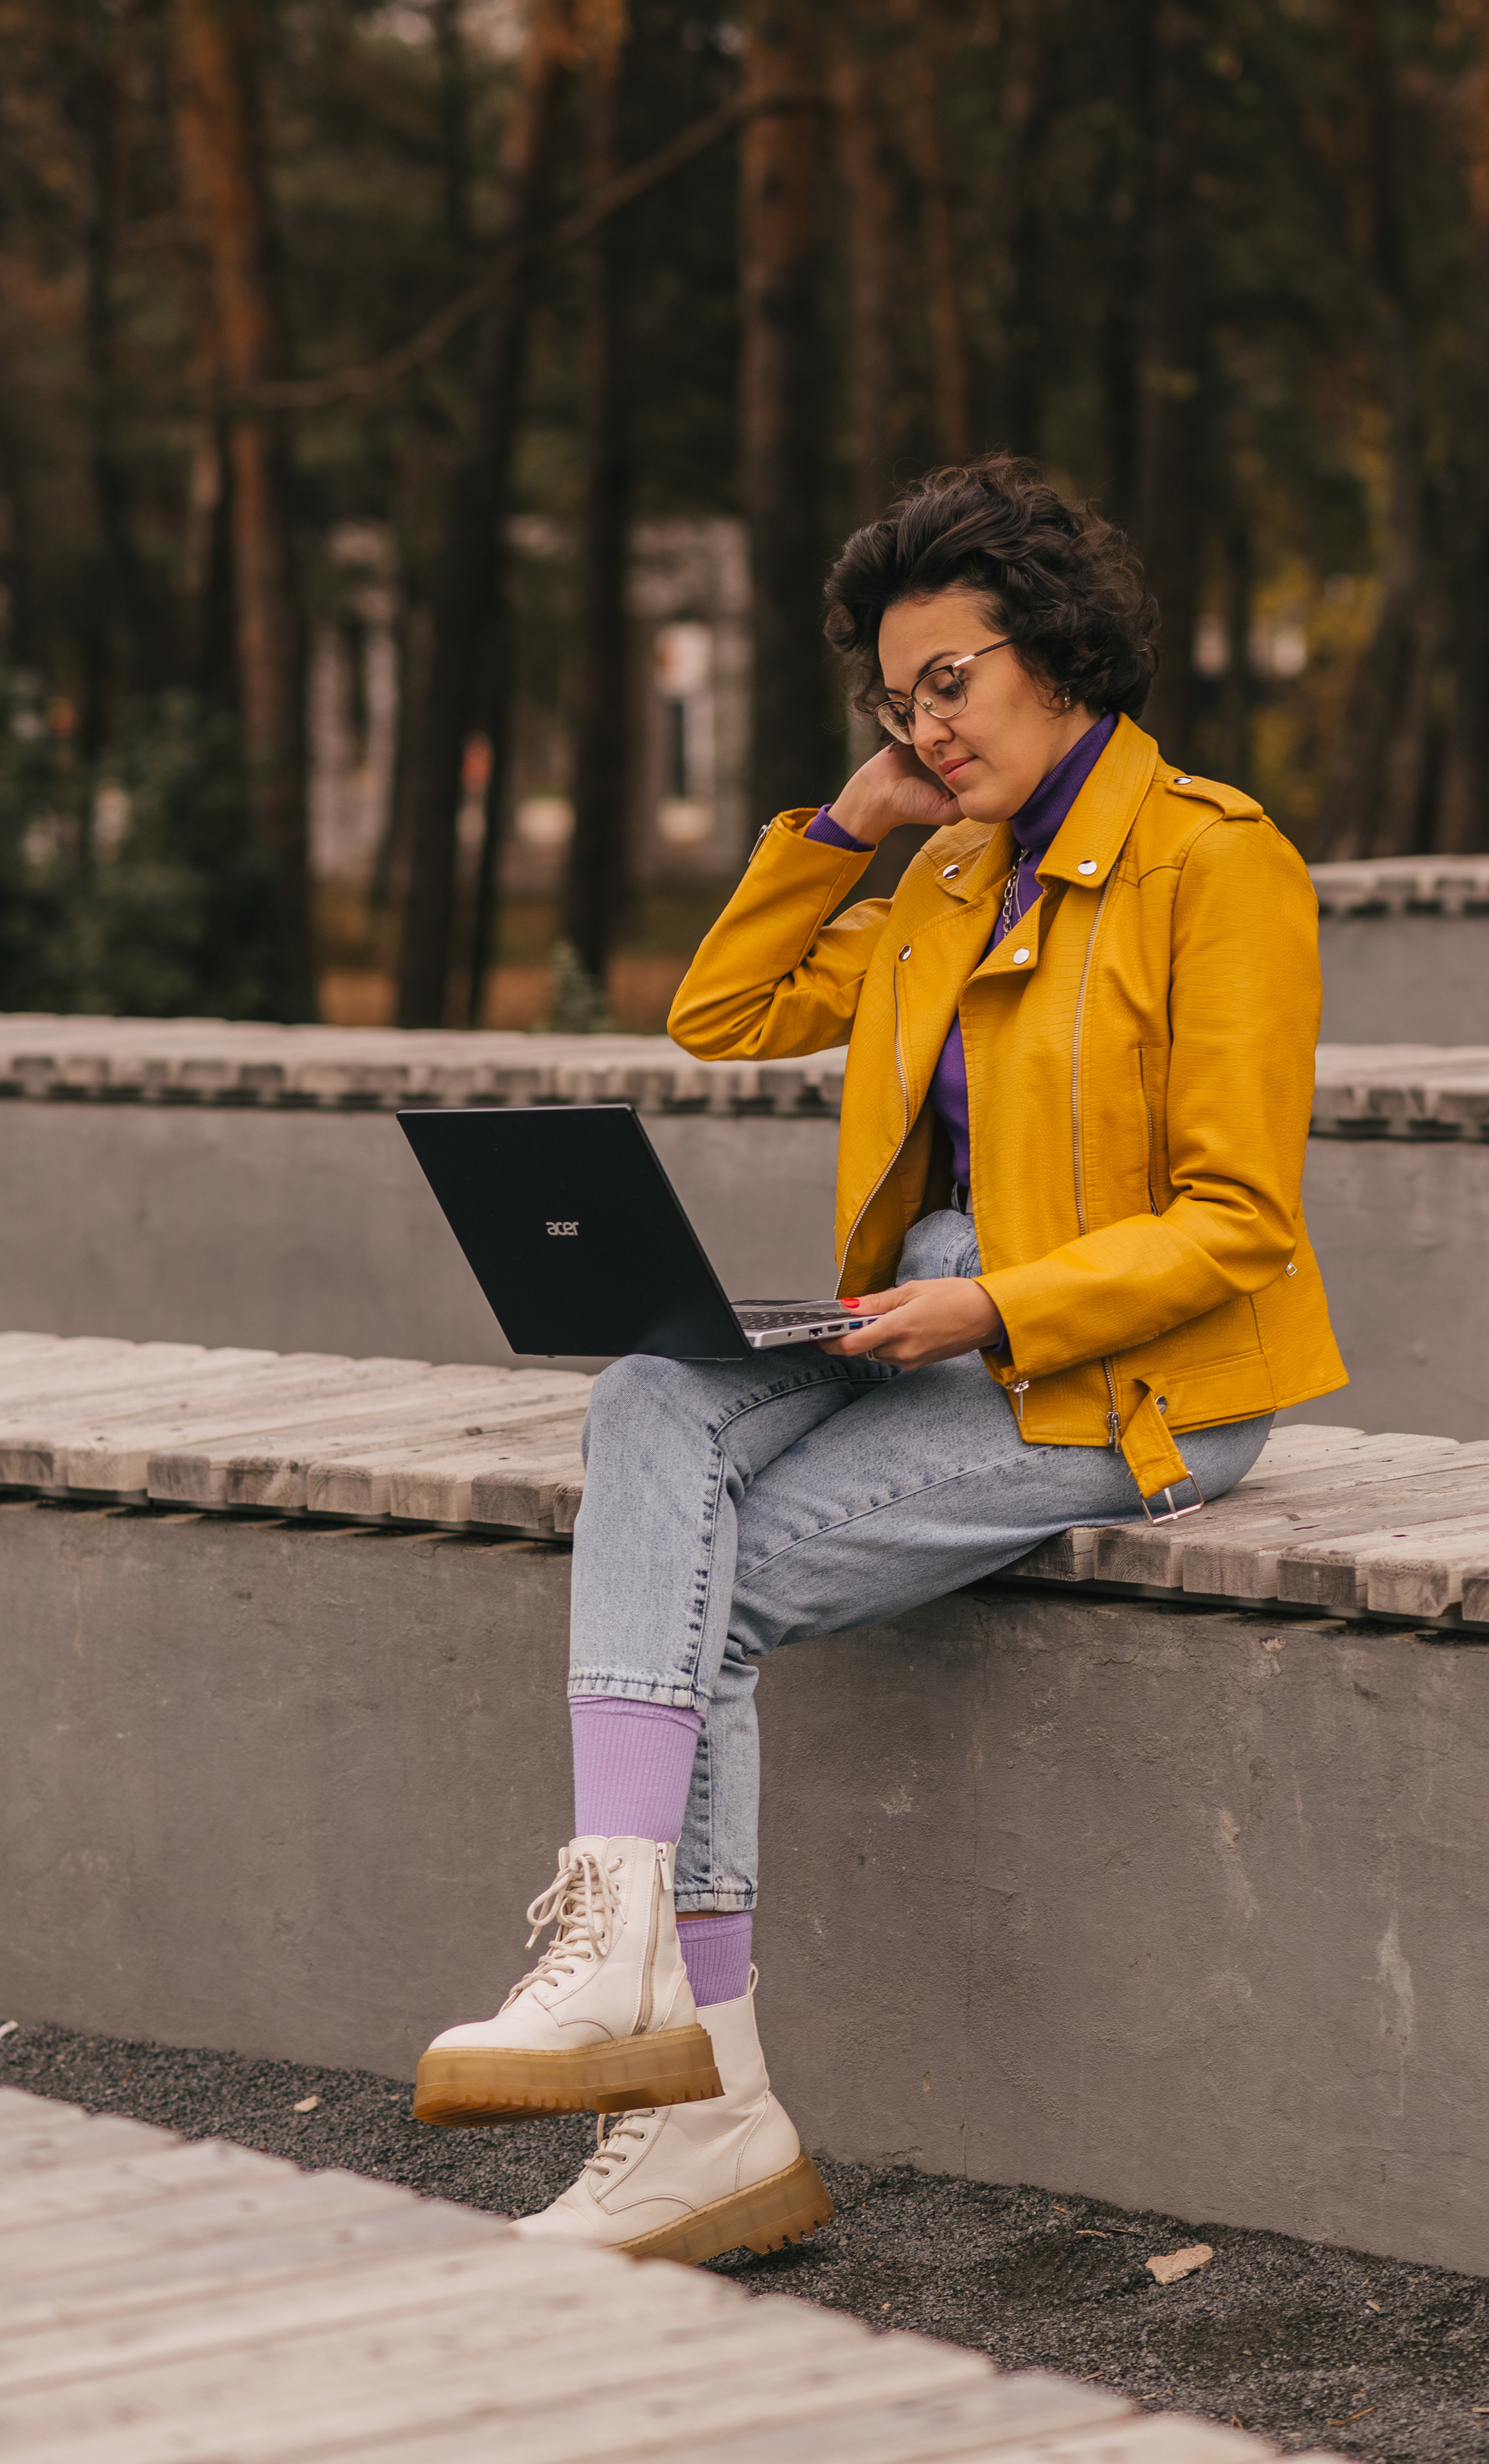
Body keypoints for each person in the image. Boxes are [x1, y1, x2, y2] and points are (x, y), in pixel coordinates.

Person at [413, 457, 1347, 2264]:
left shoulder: (1218, 866)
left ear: (1059, 655)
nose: (924, 721)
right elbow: (724, 1009)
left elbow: (1241, 1223)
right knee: (645, 1389)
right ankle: (622, 1936)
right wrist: (848, 821)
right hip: (933, 1320)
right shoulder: (943, 871)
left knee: (716, 1587)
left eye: (949, 683)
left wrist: (994, 1306)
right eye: (894, 695)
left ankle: (708, 2111)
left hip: (1138, 1378)